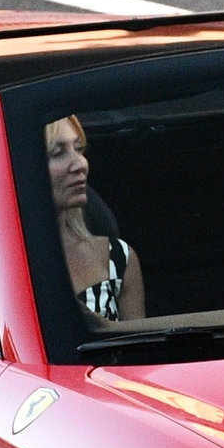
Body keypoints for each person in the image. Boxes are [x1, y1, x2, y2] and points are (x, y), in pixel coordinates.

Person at [47, 115, 146, 325]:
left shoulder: (118, 257)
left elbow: (138, 350)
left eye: (79, 148)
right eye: (58, 153)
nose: (80, 164)